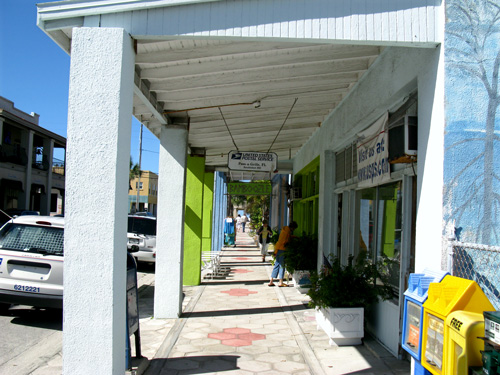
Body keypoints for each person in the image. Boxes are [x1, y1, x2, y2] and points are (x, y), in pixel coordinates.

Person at [268, 221, 298, 287]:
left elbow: (283, 239)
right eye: (294, 229)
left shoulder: (284, 230)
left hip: (278, 249)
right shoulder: (287, 232)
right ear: (292, 228)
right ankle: (280, 282)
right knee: (282, 265)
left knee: (276, 265)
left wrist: (276, 251)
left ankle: (271, 281)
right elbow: (284, 241)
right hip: (282, 250)